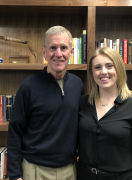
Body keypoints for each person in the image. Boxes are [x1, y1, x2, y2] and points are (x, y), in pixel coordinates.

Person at [7, 26, 85, 180]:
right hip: (35, 170)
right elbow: (15, 132)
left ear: (71, 52)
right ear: (44, 52)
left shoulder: (78, 85)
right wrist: (14, 175)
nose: (58, 54)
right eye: (52, 48)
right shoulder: (28, 86)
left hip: (70, 169)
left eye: (63, 48)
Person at [77, 47, 132, 180]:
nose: (103, 72)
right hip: (85, 175)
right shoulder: (83, 103)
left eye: (109, 66)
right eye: (97, 67)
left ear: (118, 69)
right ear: (92, 73)